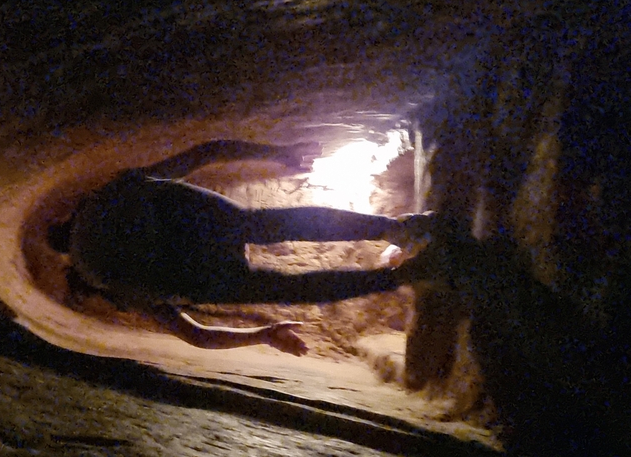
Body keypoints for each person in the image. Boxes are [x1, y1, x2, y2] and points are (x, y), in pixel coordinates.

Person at [63, 139, 437, 355]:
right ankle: (400, 230)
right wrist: (279, 152)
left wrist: (262, 335)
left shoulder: (102, 278)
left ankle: (406, 274)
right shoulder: (108, 194)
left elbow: (195, 334)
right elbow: (206, 153)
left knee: (291, 289)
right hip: (195, 218)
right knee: (273, 224)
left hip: (191, 274)